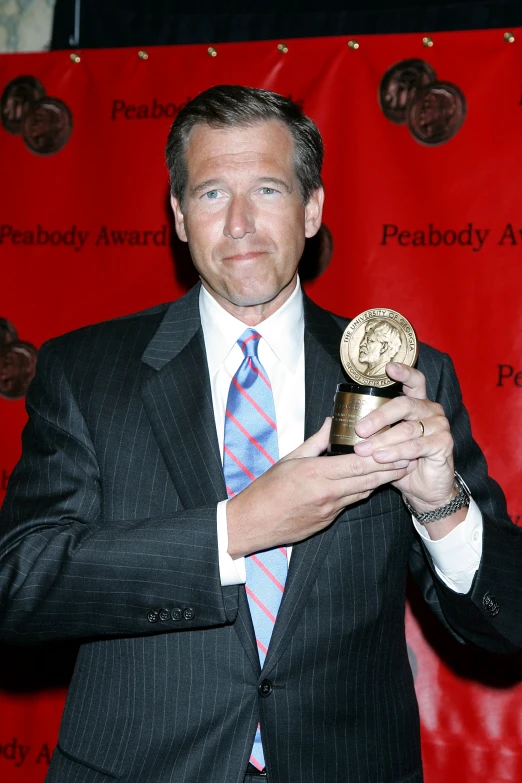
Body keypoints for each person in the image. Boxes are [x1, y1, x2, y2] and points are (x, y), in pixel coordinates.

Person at [0, 86, 520, 783]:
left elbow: (506, 622)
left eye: (268, 189)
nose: (240, 223)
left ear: (312, 208)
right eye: (213, 194)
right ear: (181, 217)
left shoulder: (406, 377)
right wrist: (236, 526)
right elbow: (21, 583)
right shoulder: (85, 373)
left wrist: (438, 504)